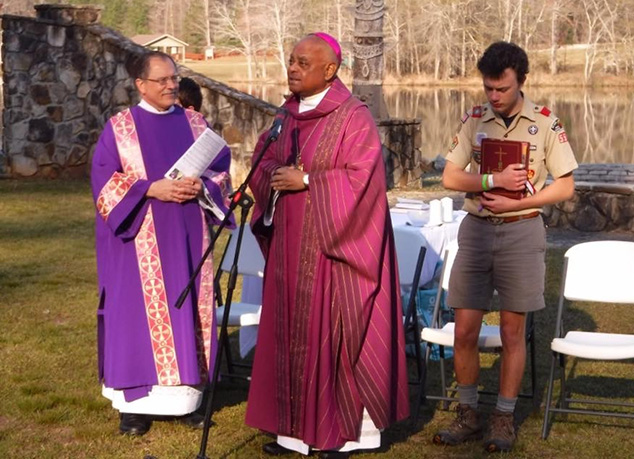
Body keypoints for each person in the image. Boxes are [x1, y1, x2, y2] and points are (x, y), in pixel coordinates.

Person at [246, 33, 410, 458]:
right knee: (290, 339)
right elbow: (261, 162)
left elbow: (364, 181)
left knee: (336, 339)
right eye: (290, 60)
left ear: (330, 70)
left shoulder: (353, 118)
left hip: (335, 255)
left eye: (303, 62)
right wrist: (274, 177)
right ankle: (293, 435)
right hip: (289, 250)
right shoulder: (286, 115)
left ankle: (346, 433)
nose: (293, 68)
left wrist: (308, 181)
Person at [433, 41, 578, 453]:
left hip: (521, 232)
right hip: (476, 232)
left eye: (502, 89)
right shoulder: (474, 118)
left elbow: (565, 185)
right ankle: (467, 414)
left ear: (521, 82)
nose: (494, 97)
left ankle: (503, 417)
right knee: (464, 329)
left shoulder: (546, 123)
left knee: (514, 332)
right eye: (488, 88)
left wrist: (523, 200)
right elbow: (449, 177)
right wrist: (491, 182)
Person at [91, 51, 233, 436]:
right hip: (138, 241)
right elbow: (104, 184)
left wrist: (201, 185)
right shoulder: (119, 129)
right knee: (136, 316)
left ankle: (187, 398)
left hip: (186, 237)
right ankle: (133, 406)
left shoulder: (194, 122)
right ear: (141, 85)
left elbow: (220, 168)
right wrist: (151, 188)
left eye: (174, 77)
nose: (173, 85)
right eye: (163, 80)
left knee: (185, 311)